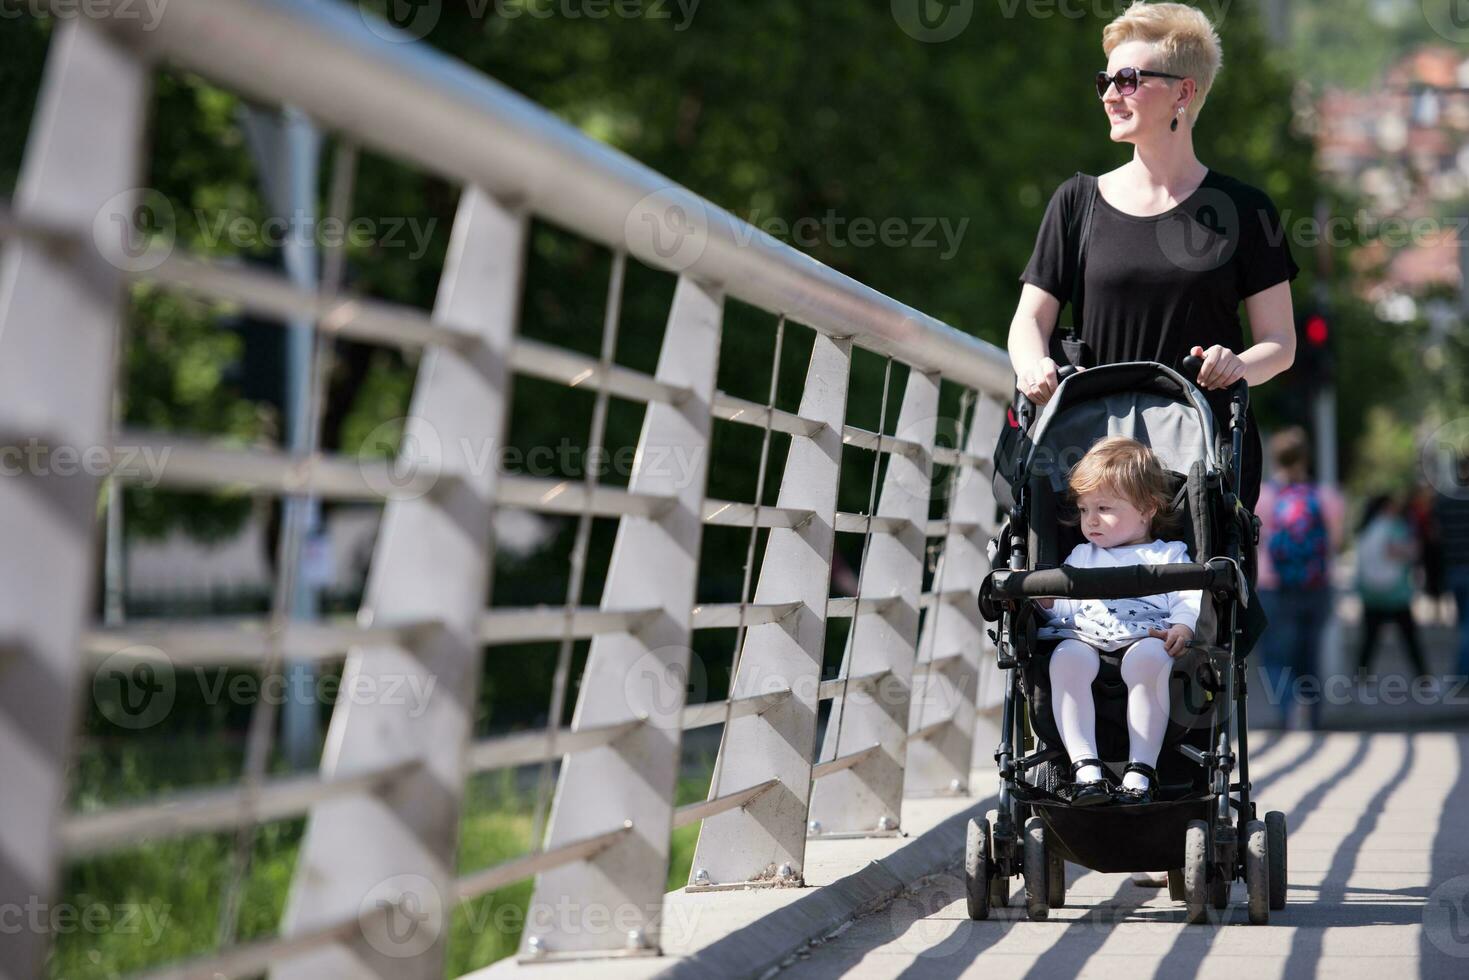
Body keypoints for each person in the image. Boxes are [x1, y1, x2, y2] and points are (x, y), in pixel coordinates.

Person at [1007, 1, 1300, 513]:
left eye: (1128, 80)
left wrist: (1237, 364)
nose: (1110, 96)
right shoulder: (1076, 203)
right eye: (1106, 81)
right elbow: (1029, 319)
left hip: (1200, 465)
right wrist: (1033, 366)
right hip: (1090, 459)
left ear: (1183, 92)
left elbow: (1280, 343)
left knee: (1201, 589)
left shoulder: (1248, 210)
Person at [1036, 437, 1202, 809]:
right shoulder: (1082, 555)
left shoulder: (1169, 555)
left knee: (1151, 659)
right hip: (1085, 636)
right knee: (1064, 658)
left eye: (1104, 508)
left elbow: (1187, 598)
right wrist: (1047, 601)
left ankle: (1141, 771)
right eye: (1083, 509)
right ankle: (1085, 770)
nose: (1090, 520)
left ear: (1147, 509)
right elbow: (1065, 610)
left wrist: (1182, 627)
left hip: (1147, 634)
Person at [1254, 427, 1345, 730]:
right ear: (1307, 457)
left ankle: (1286, 712)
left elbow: (1256, 542)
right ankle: (1314, 714)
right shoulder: (1325, 496)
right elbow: (1335, 543)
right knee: (1310, 651)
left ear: (1275, 458)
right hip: (1316, 584)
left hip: (1274, 585)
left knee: (1278, 655)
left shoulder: (1264, 497)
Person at [1353, 492, 1427, 678]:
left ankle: (1361, 678)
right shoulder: (1393, 527)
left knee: (1369, 641)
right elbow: (1401, 550)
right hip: (1396, 595)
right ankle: (1423, 679)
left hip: (1371, 594)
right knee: (1410, 640)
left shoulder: (1367, 528)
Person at [1434, 451, 1469, 679]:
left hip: (1453, 569)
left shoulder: (1444, 502)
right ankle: (1461, 675)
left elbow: (1436, 536)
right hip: (1460, 568)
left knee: (1464, 623)